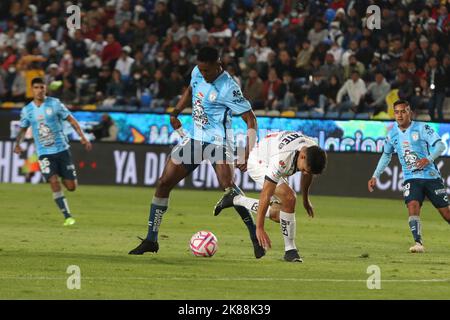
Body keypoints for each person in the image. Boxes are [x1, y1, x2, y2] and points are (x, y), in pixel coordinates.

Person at [128, 46, 265, 258]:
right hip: (195, 139)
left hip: (219, 142)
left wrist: (247, 153)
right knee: (164, 182)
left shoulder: (229, 87)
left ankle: (255, 236)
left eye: (207, 71)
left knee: (229, 190)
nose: (203, 74)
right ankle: (151, 239)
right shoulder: (197, 72)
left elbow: (251, 119)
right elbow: (191, 90)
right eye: (200, 70)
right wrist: (176, 112)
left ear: (218, 64)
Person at [214, 131, 327, 262]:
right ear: (302, 156)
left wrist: (306, 199)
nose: (305, 173)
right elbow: (266, 194)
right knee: (289, 197)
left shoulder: (311, 150)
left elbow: (308, 174)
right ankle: (290, 250)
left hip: (270, 149)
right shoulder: (282, 158)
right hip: (259, 162)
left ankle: (235, 198)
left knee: (279, 216)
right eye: (305, 169)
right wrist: (259, 227)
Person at [368, 100, 449, 253]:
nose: (400, 115)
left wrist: (428, 159)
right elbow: (386, 155)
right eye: (397, 112)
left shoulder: (422, 128)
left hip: (431, 177)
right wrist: (375, 175)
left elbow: (441, 146)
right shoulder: (392, 134)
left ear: (409, 112)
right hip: (411, 178)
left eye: (403, 111)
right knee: (412, 206)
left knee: (446, 214)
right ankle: (418, 243)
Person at [14, 77, 92, 226]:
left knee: (71, 187)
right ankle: (67, 216)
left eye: (42, 87)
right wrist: (17, 144)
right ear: (32, 90)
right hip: (44, 153)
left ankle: (63, 176)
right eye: (36, 87)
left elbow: (72, 120)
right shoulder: (27, 110)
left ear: (46, 89)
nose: (39, 90)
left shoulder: (55, 104)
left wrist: (83, 137)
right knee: (53, 181)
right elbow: (23, 129)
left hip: (62, 150)